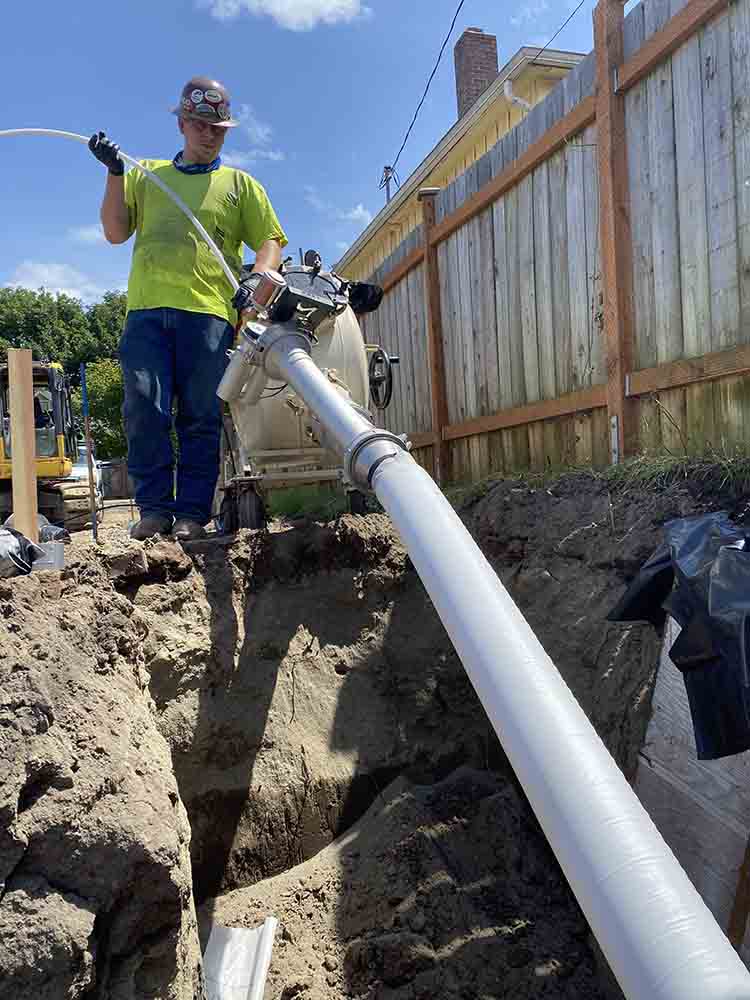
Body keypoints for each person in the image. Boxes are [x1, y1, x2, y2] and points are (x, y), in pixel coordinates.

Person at [90, 76, 287, 541]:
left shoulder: (241, 185)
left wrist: (257, 280)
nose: (208, 134)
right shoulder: (147, 174)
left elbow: (270, 242)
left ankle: (191, 516)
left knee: (200, 416)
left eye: (217, 128)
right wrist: (115, 173)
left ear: (226, 132)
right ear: (181, 123)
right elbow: (116, 232)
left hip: (210, 318)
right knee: (144, 408)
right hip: (146, 315)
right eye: (199, 124)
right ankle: (154, 510)